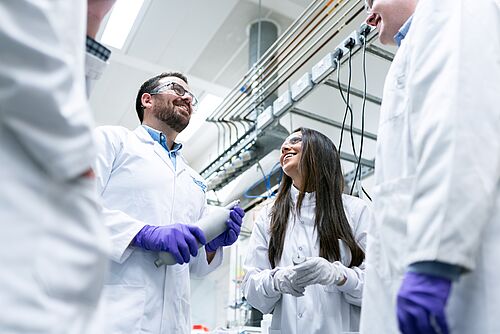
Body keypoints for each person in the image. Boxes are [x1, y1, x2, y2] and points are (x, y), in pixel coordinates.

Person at [360, 0, 500, 333]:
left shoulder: (452, 8)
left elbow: (459, 127)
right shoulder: (417, 42)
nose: (368, 16)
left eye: (369, 0)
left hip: (456, 284)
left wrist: (433, 262)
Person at [93, 71, 245, 334]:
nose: (186, 98)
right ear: (147, 100)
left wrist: (209, 245)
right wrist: (142, 234)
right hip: (111, 315)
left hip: (174, 322)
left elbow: (195, 268)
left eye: (190, 96)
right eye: (177, 89)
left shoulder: (195, 180)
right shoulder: (113, 141)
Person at [0, 0, 115, 332]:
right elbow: (18, 38)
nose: (186, 98)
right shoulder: (115, 141)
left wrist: (90, 22)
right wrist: (77, 158)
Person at [242, 127, 371, 334]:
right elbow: (252, 292)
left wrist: (339, 275)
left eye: (295, 140)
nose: (285, 147)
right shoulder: (270, 216)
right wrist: (278, 281)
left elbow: (378, 287)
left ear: (320, 150)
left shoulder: (356, 211)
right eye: (284, 144)